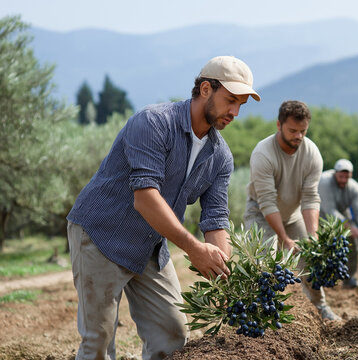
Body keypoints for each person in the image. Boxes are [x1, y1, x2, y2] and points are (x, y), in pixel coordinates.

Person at [66, 55, 260, 360]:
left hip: (149, 246)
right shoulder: (154, 122)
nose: (235, 112)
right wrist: (194, 249)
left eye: (241, 105)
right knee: (99, 342)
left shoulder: (220, 157)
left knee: (172, 335)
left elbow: (215, 219)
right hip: (102, 235)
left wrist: (226, 277)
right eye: (231, 100)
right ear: (206, 89)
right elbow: (145, 198)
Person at [243, 100, 341, 321]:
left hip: (293, 213)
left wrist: (313, 236)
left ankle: (320, 307)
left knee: (308, 258)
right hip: (260, 214)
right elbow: (267, 202)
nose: (298, 136)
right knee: (265, 265)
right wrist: (284, 238)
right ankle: (261, 315)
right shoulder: (263, 154)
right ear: (279, 125)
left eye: (303, 131)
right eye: (292, 130)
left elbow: (310, 198)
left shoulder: (312, 154)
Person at [318, 159, 358, 288]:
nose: (343, 180)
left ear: (351, 176)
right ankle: (321, 278)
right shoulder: (325, 181)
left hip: (343, 213)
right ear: (335, 173)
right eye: (341, 176)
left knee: (352, 244)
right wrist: (351, 227)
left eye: (346, 177)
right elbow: (330, 210)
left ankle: (350, 278)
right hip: (320, 214)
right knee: (322, 245)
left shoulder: (354, 187)